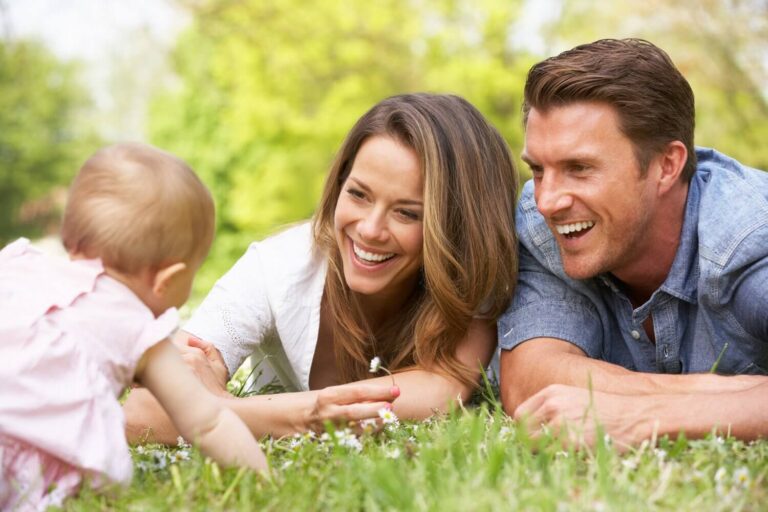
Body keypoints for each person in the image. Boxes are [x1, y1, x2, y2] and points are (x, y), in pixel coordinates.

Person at [124, 93, 519, 443]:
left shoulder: (472, 281)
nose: (369, 230)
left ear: (456, 228)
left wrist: (218, 409)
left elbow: (438, 392)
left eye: (407, 213)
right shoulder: (277, 268)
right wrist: (291, 414)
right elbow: (141, 414)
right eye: (358, 194)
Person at [498, 38, 768, 449]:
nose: (548, 201)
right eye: (537, 170)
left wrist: (644, 418)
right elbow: (529, 381)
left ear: (666, 165)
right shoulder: (543, 228)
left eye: (579, 168)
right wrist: (729, 396)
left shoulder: (747, 242)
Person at [0, 143, 268, 510]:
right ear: (168, 280)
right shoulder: (140, 331)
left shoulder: (20, 267)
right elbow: (209, 422)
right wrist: (263, 479)